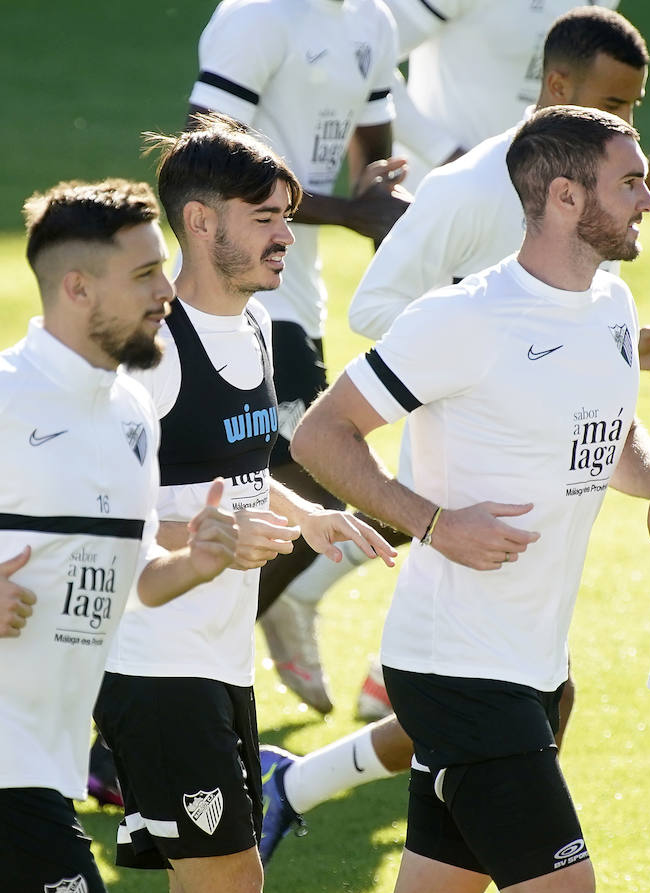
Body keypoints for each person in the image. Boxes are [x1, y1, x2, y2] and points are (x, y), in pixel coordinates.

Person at [292, 105, 650, 893]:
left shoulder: (613, 309)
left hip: (535, 663)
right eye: (628, 183)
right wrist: (437, 523)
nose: (648, 199)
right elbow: (319, 435)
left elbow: (612, 445)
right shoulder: (464, 317)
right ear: (562, 196)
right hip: (459, 668)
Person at [270, 5, 650, 738]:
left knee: (543, 709)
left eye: (631, 107)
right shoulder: (467, 189)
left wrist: (585, 350)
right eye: (612, 103)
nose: (624, 121)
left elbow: (570, 346)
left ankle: (303, 776)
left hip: (521, 573)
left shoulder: (604, 269)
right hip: (460, 461)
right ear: (557, 85)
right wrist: (479, 350)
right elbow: (376, 307)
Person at [0, 179, 241, 893]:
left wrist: (197, 563)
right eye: (145, 274)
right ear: (77, 287)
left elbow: (136, 575)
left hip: (42, 761)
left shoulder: (131, 409)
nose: (168, 291)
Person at [91, 116, 395, 893]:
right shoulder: (151, 353)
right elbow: (105, 521)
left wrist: (312, 516)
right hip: (155, 669)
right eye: (264, 218)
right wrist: (211, 543)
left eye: (286, 218)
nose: (286, 236)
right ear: (199, 221)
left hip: (219, 662)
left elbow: (243, 477)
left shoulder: (259, 327)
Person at [186, 0, 410, 713]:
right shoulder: (255, 19)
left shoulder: (373, 22)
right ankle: (178, 676)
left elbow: (375, 156)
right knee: (300, 479)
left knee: (297, 489)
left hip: (293, 296)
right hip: (231, 293)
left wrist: (383, 212)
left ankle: (185, 677)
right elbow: (203, 161)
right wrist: (347, 211)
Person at [383, 0, 650, 203]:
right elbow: (371, 58)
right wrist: (447, 155)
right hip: (438, 199)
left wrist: (627, 181)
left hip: (546, 207)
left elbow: (591, 89)